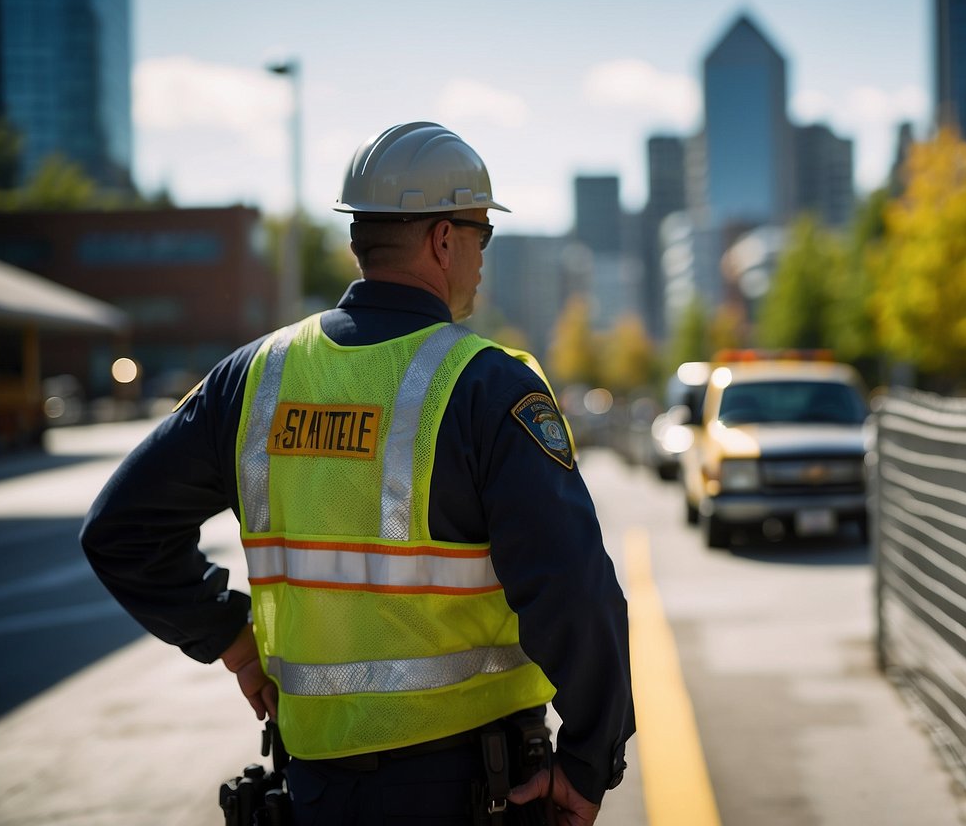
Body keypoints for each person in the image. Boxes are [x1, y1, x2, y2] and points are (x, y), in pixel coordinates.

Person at [81, 121, 635, 825]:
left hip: (314, 794)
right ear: (442, 239)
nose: (481, 257)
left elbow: (119, 531)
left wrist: (231, 640)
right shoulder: (490, 388)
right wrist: (589, 763)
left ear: (357, 239)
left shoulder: (253, 379)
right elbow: (573, 590)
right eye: (480, 234)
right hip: (471, 791)